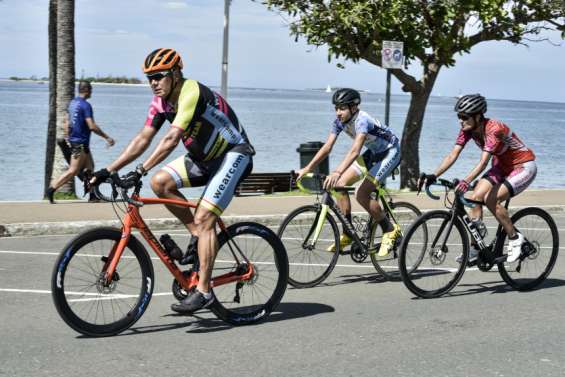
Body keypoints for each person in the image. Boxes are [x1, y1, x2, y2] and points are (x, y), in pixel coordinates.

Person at [91, 48, 254, 314]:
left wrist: (140, 169)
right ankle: (196, 236)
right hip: (203, 158)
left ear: (176, 74)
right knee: (160, 183)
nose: (154, 83)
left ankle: (203, 292)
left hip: (234, 155)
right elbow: (143, 139)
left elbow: (170, 139)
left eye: (159, 76)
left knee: (204, 219)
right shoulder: (159, 102)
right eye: (149, 78)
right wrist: (108, 169)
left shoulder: (191, 92)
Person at [419, 94, 536, 263]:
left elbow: (483, 162)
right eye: (459, 116)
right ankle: (476, 247)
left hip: (523, 166)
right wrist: (434, 175)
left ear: (478, 116)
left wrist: (466, 181)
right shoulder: (468, 130)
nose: (460, 120)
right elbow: (453, 155)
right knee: (475, 197)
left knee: (490, 199)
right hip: (502, 167)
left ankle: (515, 238)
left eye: (464, 117)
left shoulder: (494, 129)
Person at [297, 88, 401, 257]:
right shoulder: (339, 121)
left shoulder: (362, 120)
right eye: (336, 108)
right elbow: (327, 147)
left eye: (342, 108)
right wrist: (307, 168)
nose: (338, 112)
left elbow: (354, 151)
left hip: (391, 152)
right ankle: (348, 233)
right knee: (338, 186)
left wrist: (337, 171)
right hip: (373, 153)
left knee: (362, 194)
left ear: (353, 108)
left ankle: (389, 229)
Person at [47, 81, 115, 203]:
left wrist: (69, 137)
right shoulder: (86, 105)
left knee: (90, 168)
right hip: (80, 143)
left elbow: (67, 123)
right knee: (73, 171)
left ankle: (93, 195)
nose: (92, 92)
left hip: (78, 142)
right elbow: (92, 126)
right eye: (91, 90)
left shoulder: (72, 103)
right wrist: (107, 137)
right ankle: (52, 189)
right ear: (87, 90)